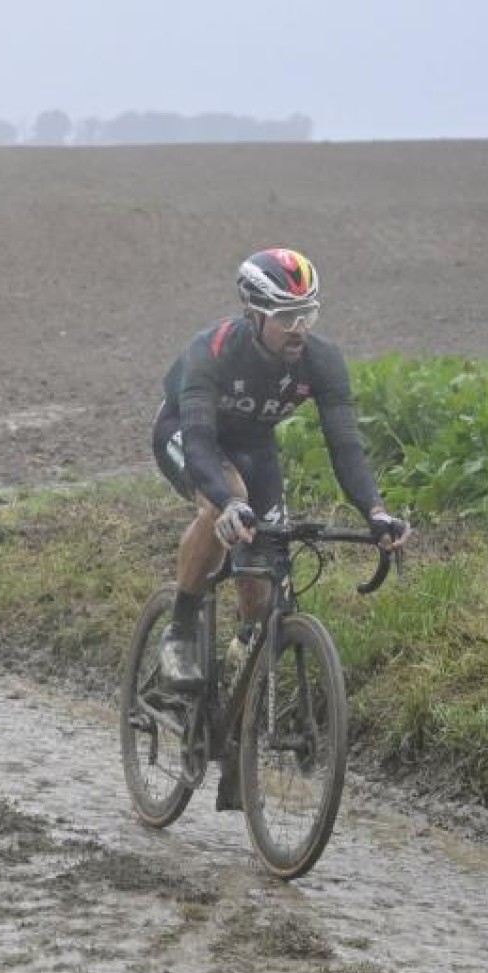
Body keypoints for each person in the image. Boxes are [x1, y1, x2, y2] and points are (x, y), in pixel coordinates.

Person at [151, 248, 411, 723]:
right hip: (188, 436)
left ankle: (235, 676)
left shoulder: (322, 360)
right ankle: (180, 630)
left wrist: (375, 510)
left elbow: (346, 446)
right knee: (224, 506)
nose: (299, 328)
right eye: (287, 316)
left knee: (260, 593)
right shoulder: (211, 352)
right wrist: (227, 501)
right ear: (254, 313)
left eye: (306, 314)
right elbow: (202, 442)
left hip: (254, 448)